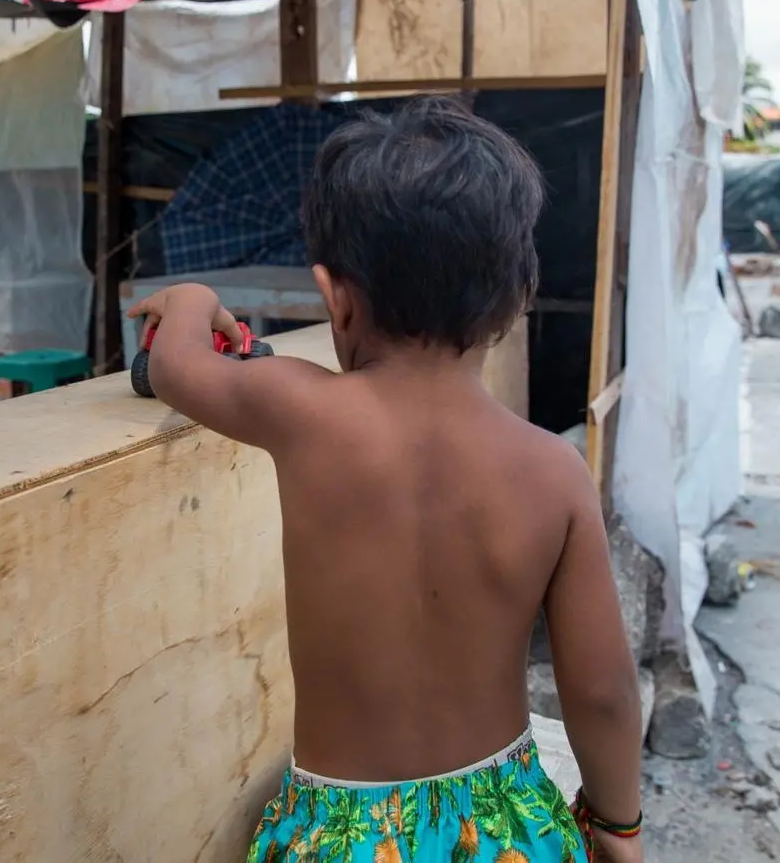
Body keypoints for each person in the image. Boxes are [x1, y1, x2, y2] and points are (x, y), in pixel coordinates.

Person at [128, 97, 644, 863]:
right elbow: (601, 692)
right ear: (514, 300)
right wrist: (618, 827)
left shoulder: (298, 410)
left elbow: (174, 366)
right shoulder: (555, 472)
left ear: (335, 296)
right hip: (505, 830)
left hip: (341, 837)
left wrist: (190, 300)